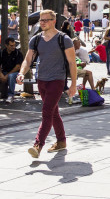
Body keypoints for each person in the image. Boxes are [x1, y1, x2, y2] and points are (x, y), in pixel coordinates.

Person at [17, 10, 78, 158]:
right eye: (41, 20)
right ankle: (61, 141)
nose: (42, 22)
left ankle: (38, 145)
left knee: (46, 111)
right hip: (41, 80)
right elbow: (28, 59)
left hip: (57, 80)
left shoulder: (64, 39)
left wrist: (73, 85)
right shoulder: (36, 39)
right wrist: (21, 72)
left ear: (53, 21)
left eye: (46, 20)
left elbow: (72, 63)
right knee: (53, 112)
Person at [0, 37, 24, 102]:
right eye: (11, 45)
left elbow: (18, 66)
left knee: (11, 76)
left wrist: (7, 75)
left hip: (15, 73)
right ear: (6, 45)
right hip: (4, 72)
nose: (13, 47)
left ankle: (11, 95)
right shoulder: (2, 53)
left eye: (14, 45)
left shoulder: (18, 53)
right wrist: (0, 73)